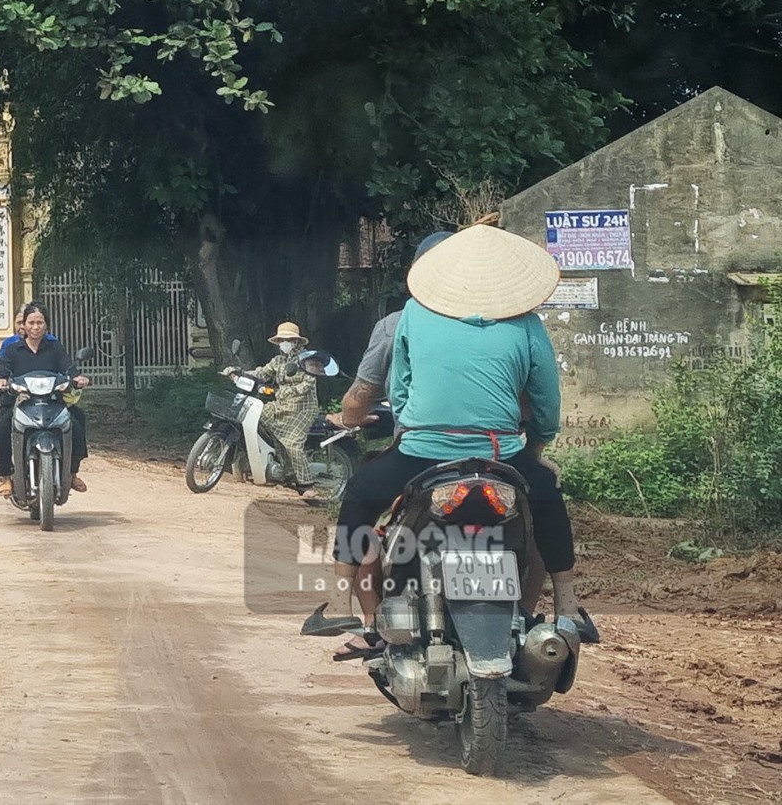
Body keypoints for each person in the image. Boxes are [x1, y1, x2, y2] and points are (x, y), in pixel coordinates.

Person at [329, 225, 587, 658]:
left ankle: (338, 601)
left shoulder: (412, 314)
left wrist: (415, 425)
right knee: (545, 499)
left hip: (421, 454)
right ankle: (567, 605)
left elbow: (403, 387)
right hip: (500, 453)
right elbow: (545, 397)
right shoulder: (525, 322)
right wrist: (537, 448)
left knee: (359, 493)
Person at [325, 233, 451, 434]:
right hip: (496, 447)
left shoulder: (395, 325)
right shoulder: (501, 323)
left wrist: (346, 418)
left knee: (368, 467)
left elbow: (359, 399)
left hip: (418, 446)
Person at [0, 303, 91, 497]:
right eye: (31, 322)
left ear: (46, 325)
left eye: (39, 322)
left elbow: (68, 368)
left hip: (52, 400)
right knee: (1, 428)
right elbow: (3, 370)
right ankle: (5, 477)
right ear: (24, 326)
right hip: (22, 401)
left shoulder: (55, 348)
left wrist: (77, 378)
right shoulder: (13, 350)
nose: (35, 327)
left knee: (78, 423)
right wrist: (1, 380)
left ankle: (72, 473)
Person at [229, 321, 321, 490]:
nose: (284, 344)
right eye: (281, 340)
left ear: (296, 341)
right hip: (282, 405)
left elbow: (308, 384)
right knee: (255, 413)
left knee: (293, 444)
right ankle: (285, 470)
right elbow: (262, 373)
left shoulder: (309, 360)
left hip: (302, 408)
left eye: (288, 340)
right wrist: (239, 372)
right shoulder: (278, 360)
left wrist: (287, 391)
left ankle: (308, 485)